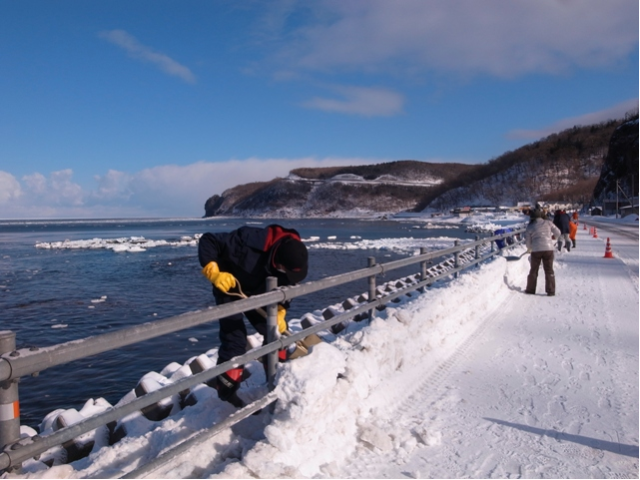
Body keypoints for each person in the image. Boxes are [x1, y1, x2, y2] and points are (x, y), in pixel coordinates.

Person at [198, 224, 309, 407]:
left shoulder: (296, 254)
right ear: (278, 263)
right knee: (235, 340)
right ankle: (226, 392)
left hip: (260, 289)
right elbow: (208, 240)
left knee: (274, 331)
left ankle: (277, 381)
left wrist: (281, 310)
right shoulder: (249, 241)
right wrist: (214, 272)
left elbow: (288, 285)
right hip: (230, 286)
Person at [525, 208, 561, 296]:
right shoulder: (548, 223)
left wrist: (529, 248)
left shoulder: (530, 226)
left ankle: (530, 289)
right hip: (548, 249)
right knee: (549, 270)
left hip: (536, 249)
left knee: (534, 270)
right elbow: (558, 232)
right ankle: (551, 290)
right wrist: (554, 237)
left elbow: (528, 241)